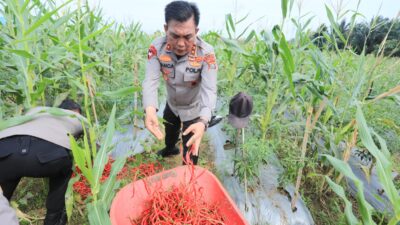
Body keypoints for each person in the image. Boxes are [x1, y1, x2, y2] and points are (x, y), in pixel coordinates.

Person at [142, 1, 218, 165]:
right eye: (175, 36)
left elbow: (209, 90)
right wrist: (149, 110)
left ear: (196, 31)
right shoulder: (157, 48)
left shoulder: (206, 53)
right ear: (165, 29)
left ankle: (188, 172)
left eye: (188, 36)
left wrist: (203, 122)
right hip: (172, 105)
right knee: (170, 132)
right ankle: (170, 148)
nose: (181, 44)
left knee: (191, 149)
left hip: (194, 109)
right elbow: (150, 80)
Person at [0, 99, 83, 225]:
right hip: (47, 158)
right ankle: (53, 220)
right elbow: (93, 143)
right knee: (65, 170)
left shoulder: (37, 111)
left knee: (3, 192)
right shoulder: (75, 117)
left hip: (6, 151)